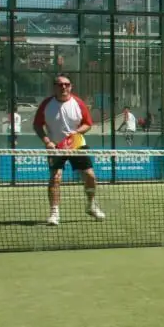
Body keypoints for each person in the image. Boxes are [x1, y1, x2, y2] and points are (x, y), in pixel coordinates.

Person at [33, 74, 105, 226]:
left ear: (71, 86)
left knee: (90, 176)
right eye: (60, 84)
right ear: (54, 87)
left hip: (77, 145)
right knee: (56, 178)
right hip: (56, 147)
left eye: (66, 84)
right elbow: (37, 125)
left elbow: (88, 123)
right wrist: (47, 141)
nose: (63, 87)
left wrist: (76, 134)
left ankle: (91, 205)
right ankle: (54, 213)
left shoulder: (78, 103)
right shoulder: (46, 104)